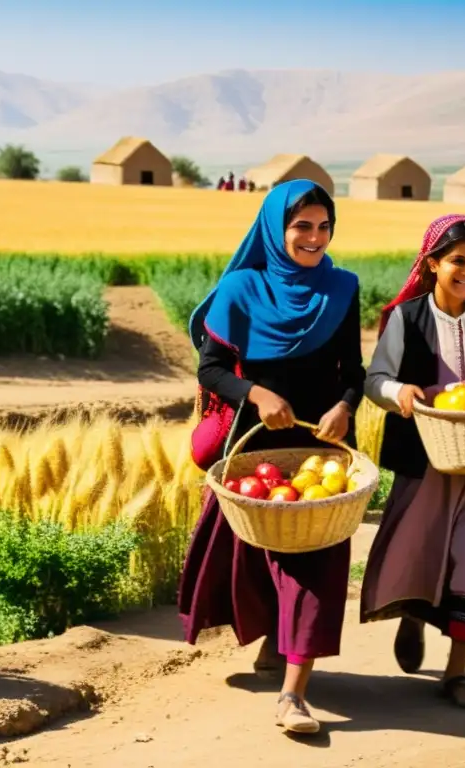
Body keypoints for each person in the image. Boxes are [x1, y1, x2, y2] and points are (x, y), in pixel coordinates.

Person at [178, 179, 365, 735]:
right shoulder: (240, 288)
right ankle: (271, 644)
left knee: (317, 565)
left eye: (323, 226)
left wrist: (345, 407)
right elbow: (210, 369)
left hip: (318, 450)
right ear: (275, 228)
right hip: (254, 447)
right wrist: (255, 395)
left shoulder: (342, 288)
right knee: (254, 557)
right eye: (301, 226)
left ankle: (293, 693)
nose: (313, 237)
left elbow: (352, 371)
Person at [359, 213, 465, 710]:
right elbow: (375, 380)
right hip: (424, 459)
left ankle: (457, 673)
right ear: (432, 263)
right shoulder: (405, 319)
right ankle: (414, 616)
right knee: (419, 552)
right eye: (457, 261)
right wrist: (399, 391)